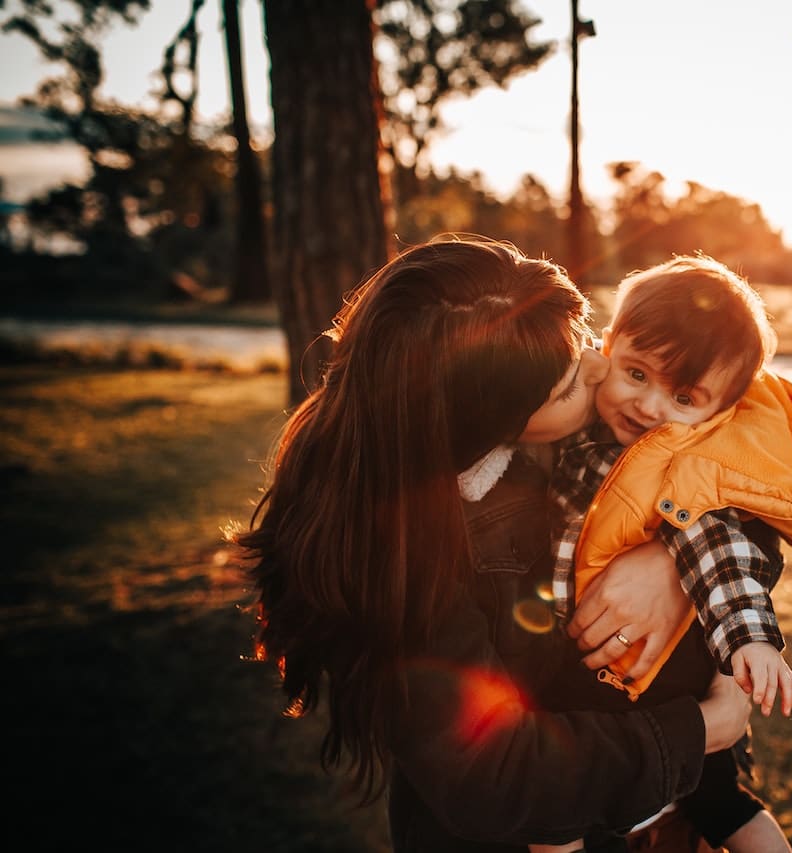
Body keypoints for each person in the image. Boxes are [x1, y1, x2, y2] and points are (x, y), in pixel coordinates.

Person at [230, 235, 756, 853]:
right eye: (566, 387)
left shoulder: (577, 426)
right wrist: (700, 730)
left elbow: (753, 476)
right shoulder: (406, 568)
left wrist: (669, 563)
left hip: (658, 815)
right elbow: (495, 776)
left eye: (585, 338)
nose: (598, 367)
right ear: (487, 429)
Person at [532, 255, 792, 853]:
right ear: (607, 347)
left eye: (683, 396)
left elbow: (721, 554)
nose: (649, 408)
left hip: (636, 673)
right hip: (601, 653)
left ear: (718, 413)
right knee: (716, 798)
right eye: (637, 373)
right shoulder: (576, 422)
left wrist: (751, 640)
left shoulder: (683, 469)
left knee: (561, 804)